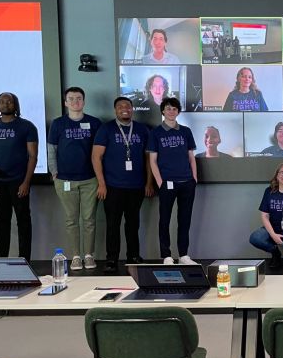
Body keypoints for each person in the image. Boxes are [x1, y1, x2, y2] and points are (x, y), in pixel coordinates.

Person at [92, 96, 154, 272]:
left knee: (133, 223)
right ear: (115, 110)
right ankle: (111, 259)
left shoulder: (142, 130)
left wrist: (149, 182)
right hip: (112, 186)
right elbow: (96, 157)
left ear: (132, 109)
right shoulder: (106, 129)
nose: (124, 108)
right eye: (120, 106)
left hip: (136, 186)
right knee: (112, 224)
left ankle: (133, 256)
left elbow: (148, 158)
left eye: (128, 106)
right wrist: (101, 184)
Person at [47, 87, 102, 271]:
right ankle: (75, 256)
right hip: (65, 180)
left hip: (89, 179)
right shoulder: (58, 123)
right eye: (71, 99)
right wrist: (54, 172)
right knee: (71, 220)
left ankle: (89, 255)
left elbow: (101, 152)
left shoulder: (94, 123)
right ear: (65, 102)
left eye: (79, 98)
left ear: (84, 102)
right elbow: (51, 150)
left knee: (89, 220)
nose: (75, 102)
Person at [0, 92, 37, 261]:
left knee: (23, 221)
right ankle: (0, 261)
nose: (5, 104)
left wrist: (26, 182)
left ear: (16, 105)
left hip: (18, 181)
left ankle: (25, 260)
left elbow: (33, 156)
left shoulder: (27, 127)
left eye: (9, 101)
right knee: (2, 222)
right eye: (2, 101)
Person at [147, 97, 198, 266]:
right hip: (167, 183)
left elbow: (191, 157)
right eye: (168, 108)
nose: (171, 111)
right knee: (165, 219)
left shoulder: (186, 131)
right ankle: (166, 255)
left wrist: (194, 178)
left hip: (186, 182)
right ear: (163, 111)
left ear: (178, 112)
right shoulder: (155, 133)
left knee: (185, 219)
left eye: (174, 109)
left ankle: (183, 255)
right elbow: (152, 160)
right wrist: (160, 182)